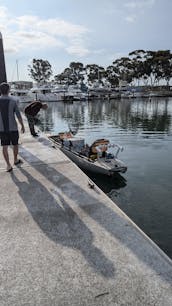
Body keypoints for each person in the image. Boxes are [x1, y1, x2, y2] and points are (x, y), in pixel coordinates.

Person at [0, 82, 25, 172]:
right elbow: (18, 115)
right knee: (15, 144)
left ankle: (8, 165)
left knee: (4, 146)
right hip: (13, 128)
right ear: (9, 90)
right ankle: (15, 160)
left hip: (2, 128)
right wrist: (22, 125)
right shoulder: (13, 101)